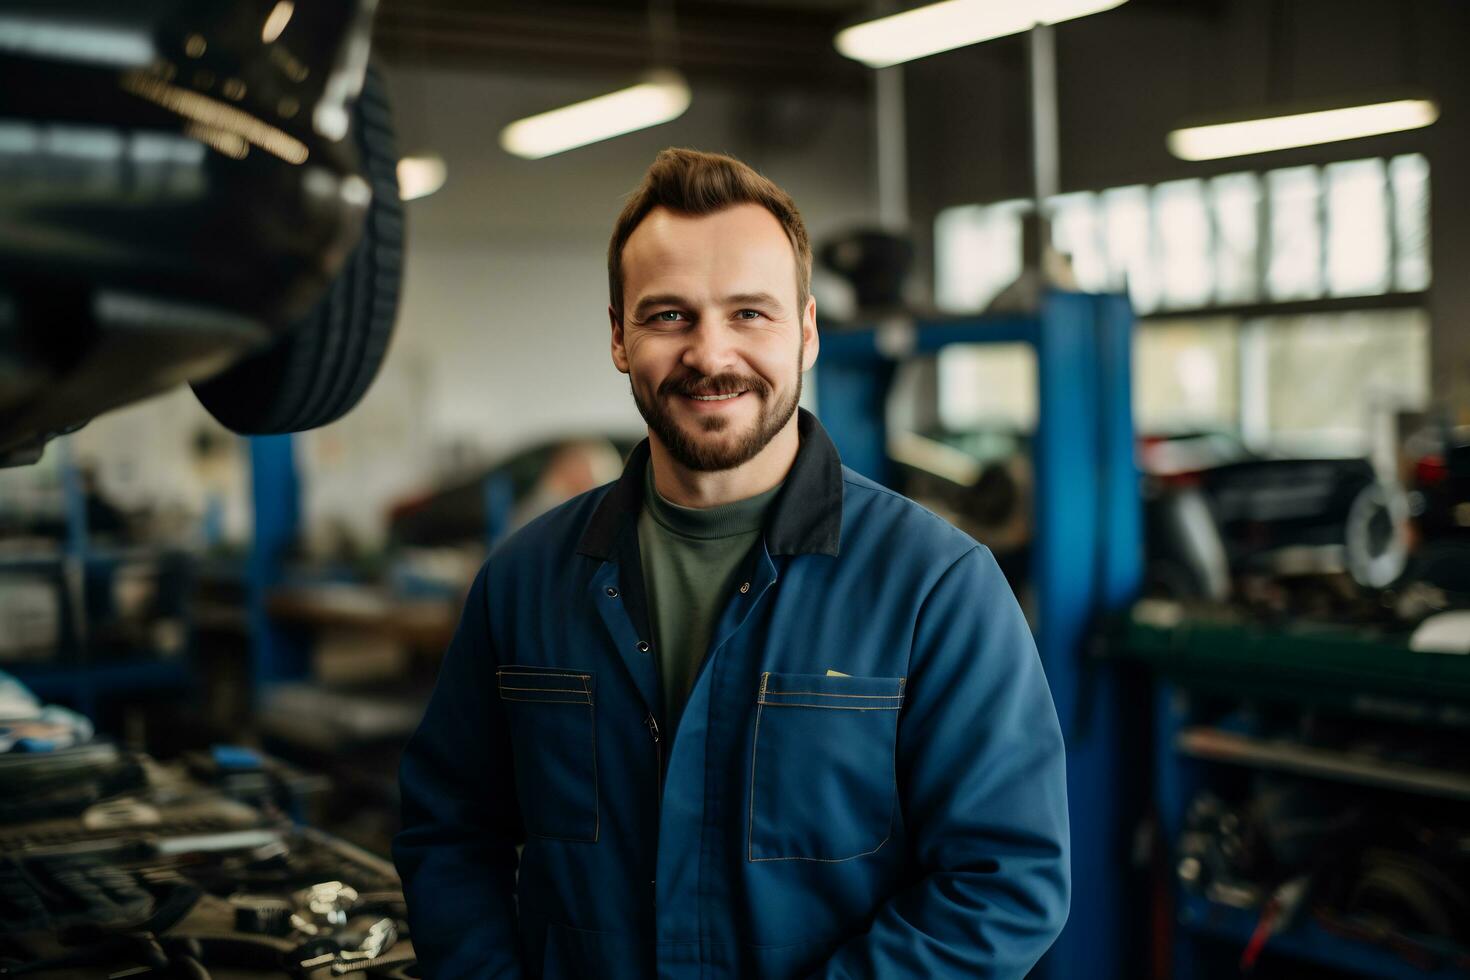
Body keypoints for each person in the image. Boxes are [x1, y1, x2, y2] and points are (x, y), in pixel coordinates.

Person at [393, 148, 1070, 979]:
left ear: (807, 331)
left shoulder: (935, 586)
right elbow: (449, 831)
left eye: (750, 313)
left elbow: (1006, 882)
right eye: (669, 316)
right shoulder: (527, 581)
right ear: (617, 336)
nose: (711, 356)